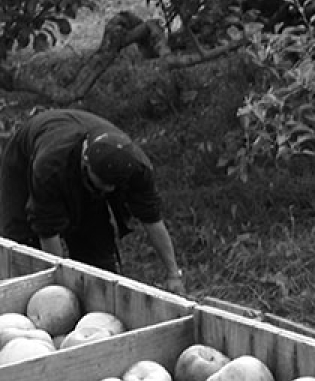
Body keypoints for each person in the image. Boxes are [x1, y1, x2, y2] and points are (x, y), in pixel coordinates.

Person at [0, 109, 185, 293]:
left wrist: (173, 274)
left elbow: (151, 218)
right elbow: (47, 230)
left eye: (114, 186)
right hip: (24, 164)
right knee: (25, 252)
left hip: (78, 167)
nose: (109, 190)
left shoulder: (136, 167)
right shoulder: (50, 166)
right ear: (85, 163)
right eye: (104, 183)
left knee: (98, 259)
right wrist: (57, 290)